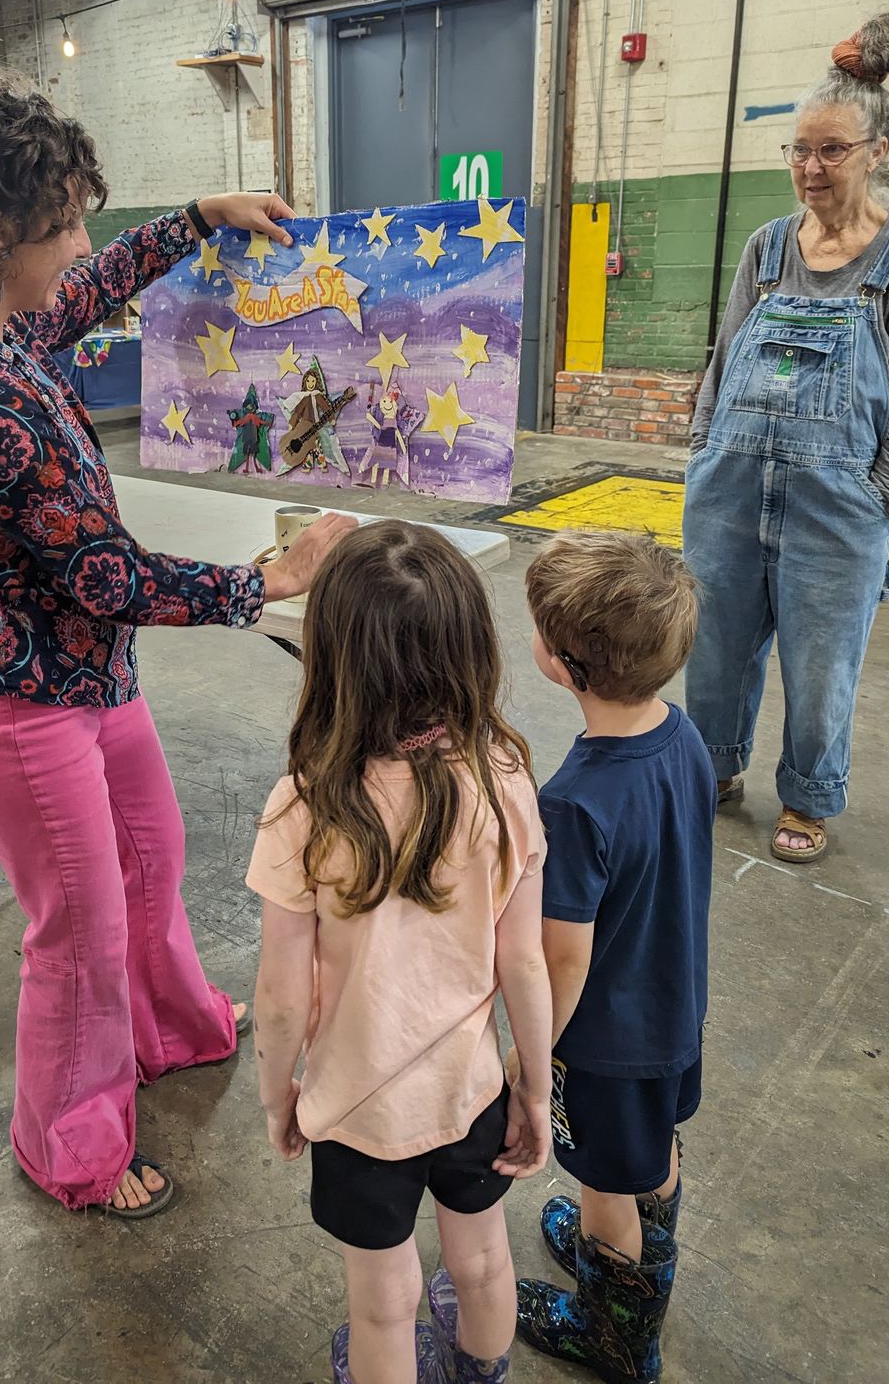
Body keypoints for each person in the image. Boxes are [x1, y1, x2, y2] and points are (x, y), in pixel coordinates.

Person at [0, 67, 354, 1218]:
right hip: (13, 700)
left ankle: (174, 1029)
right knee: (79, 934)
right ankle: (72, 1146)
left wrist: (196, 218)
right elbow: (105, 574)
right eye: (63, 221)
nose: (82, 241)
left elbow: (87, 288)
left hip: (85, 676)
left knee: (151, 858)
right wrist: (265, 582)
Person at [246, 521, 553, 1384]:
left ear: (330, 656)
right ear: (470, 651)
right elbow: (524, 965)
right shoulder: (504, 781)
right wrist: (533, 1089)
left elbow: (279, 996)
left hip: (355, 1107)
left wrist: (277, 1097)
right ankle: (480, 1372)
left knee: (382, 1300)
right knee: (482, 1262)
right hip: (470, 1089)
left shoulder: (302, 807)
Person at [685, 12, 889, 862]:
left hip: (838, 503)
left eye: (831, 150)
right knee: (715, 645)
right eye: (798, 149)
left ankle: (807, 797)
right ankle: (713, 768)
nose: (810, 167)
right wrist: (702, 450)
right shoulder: (766, 248)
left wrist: (880, 495)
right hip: (728, 488)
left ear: (877, 153)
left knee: (821, 662)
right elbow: (723, 360)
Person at [515, 530, 714, 1384]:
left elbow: (561, 964)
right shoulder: (683, 736)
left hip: (604, 1044)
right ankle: (640, 1247)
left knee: (601, 1185)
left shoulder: (572, 805)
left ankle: (616, 1330)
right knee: (649, 1149)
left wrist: (530, 1059)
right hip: (673, 1006)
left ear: (565, 664)